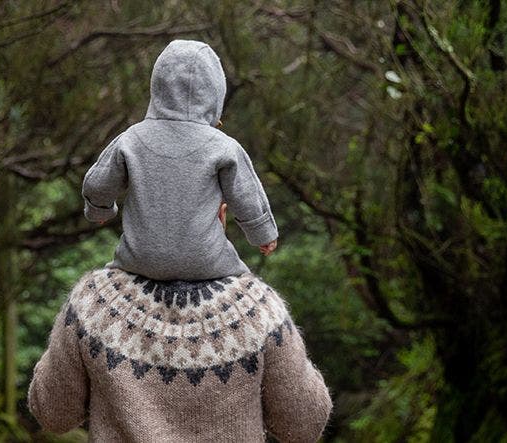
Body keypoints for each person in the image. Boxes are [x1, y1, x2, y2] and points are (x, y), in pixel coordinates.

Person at [27, 40, 331, 442]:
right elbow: (304, 424)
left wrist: (99, 212)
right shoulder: (257, 313)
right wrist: (264, 234)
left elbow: (52, 412)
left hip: (127, 271)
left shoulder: (93, 306)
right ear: (220, 207)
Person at [80, 39, 279, 282]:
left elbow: (98, 183)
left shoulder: (132, 138)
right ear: (216, 93)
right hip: (207, 262)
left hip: (138, 260)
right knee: (248, 291)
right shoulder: (223, 145)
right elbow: (247, 195)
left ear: (157, 85)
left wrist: (99, 210)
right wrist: (263, 234)